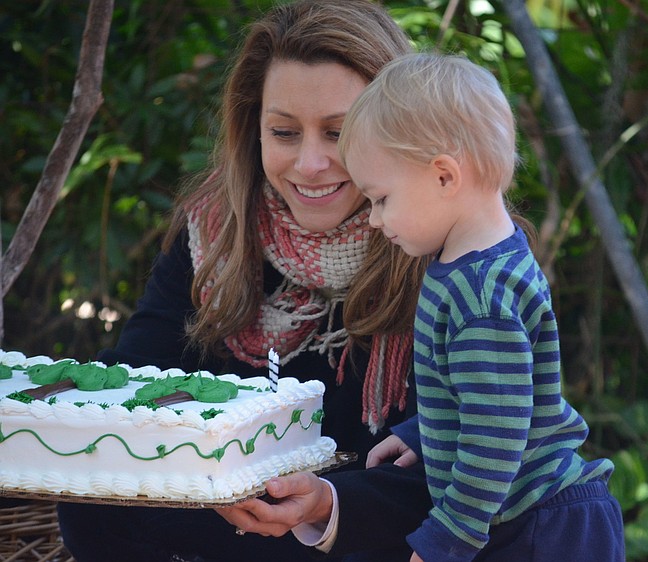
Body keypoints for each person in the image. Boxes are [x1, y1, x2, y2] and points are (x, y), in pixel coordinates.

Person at [56, 1, 433, 561]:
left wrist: (325, 504)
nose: (309, 163)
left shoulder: (451, 251)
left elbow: (463, 464)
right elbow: (142, 371)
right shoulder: (215, 232)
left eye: (339, 133)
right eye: (284, 131)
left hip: (365, 540)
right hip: (214, 526)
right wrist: (52, 403)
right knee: (89, 493)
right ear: (251, 130)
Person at [337, 53, 626, 562]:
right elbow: (484, 396)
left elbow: (496, 440)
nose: (374, 220)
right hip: (527, 516)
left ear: (444, 177)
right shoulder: (482, 261)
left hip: (539, 530)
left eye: (380, 199)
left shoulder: (480, 298)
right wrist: (425, 435)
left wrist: (445, 540)